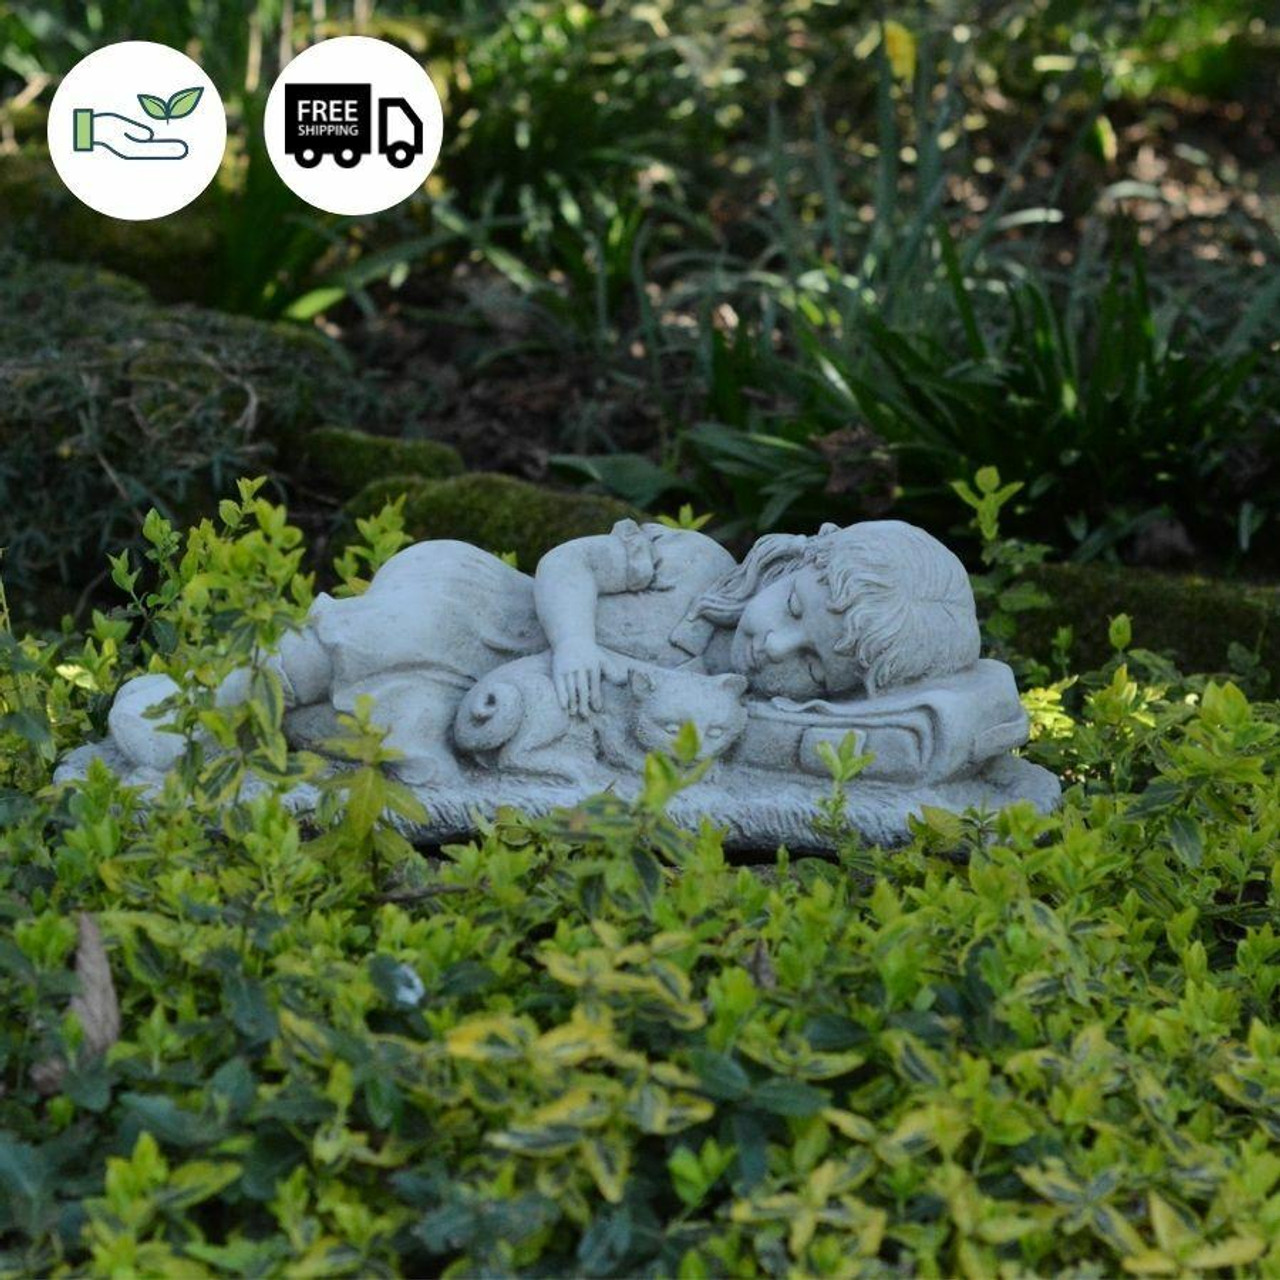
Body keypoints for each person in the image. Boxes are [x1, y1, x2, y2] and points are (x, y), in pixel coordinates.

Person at [109, 518, 982, 785]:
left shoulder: (730, 696)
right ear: (788, 563)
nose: (774, 640)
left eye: (813, 662)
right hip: (481, 613)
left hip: (492, 695)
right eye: (789, 605)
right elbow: (567, 564)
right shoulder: (692, 567)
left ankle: (273, 734)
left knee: (407, 753)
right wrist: (573, 646)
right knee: (374, 641)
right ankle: (201, 714)